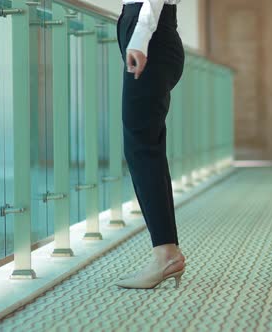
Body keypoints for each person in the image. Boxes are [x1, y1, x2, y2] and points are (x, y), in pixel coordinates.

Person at [114, 0, 186, 289]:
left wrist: (140, 38)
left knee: (142, 147)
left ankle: (166, 253)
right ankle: (167, 251)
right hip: (150, 31)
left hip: (150, 34)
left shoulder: (146, 32)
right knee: (145, 146)